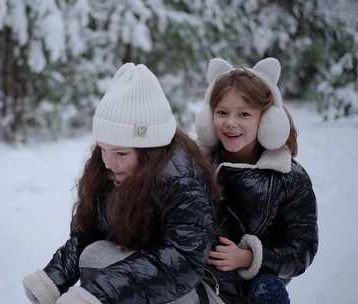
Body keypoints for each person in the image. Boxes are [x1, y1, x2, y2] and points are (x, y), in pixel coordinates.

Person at [22, 63, 218, 304]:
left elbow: (183, 261)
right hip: (140, 276)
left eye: (121, 153)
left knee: (101, 264)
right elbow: (86, 234)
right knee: (94, 254)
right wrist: (53, 281)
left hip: (188, 289)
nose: (108, 162)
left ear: (151, 151)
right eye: (103, 149)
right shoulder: (106, 170)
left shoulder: (182, 179)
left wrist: (98, 294)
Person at [194, 57, 319, 304]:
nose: (231, 123)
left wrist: (249, 257)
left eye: (244, 114)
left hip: (259, 281)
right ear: (209, 117)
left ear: (267, 120)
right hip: (205, 274)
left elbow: (302, 249)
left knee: (269, 292)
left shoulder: (289, 177)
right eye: (222, 112)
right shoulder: (196, 164)